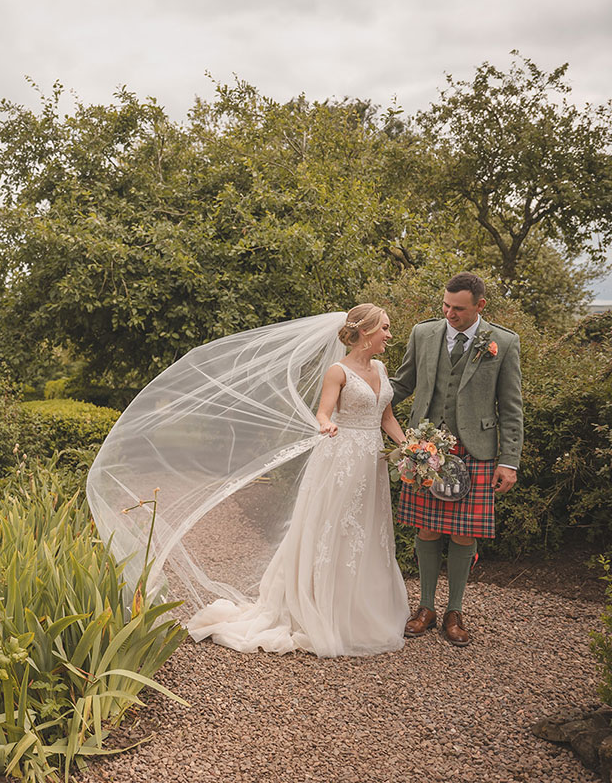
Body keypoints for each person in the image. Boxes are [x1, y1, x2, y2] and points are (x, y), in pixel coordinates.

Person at [183, 303, 408, 656]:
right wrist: (325, 423)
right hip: (343, 456)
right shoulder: (338, 371)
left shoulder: (380, 368)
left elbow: (387, 417)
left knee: (367, 529)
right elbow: (323, 410)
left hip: (373, 461)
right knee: (334, 529)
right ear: (365, 331)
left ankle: (363, 610)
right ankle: (323, 609)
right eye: (384, 328)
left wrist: (411, 449)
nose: (389, 335)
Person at [390, 273, 523, 647]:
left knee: (465, 532)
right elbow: (402, 384)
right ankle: (427, 607)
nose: (450, 313)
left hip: (476, 448)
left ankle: (455, 611)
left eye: (459, 309)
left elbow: (511, 408)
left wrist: (509, 460)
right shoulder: (423, 334)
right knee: (426, 528)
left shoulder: (504, 342)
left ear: (480, 306)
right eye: (446, 306)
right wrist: (360, 399)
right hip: (424, 446)